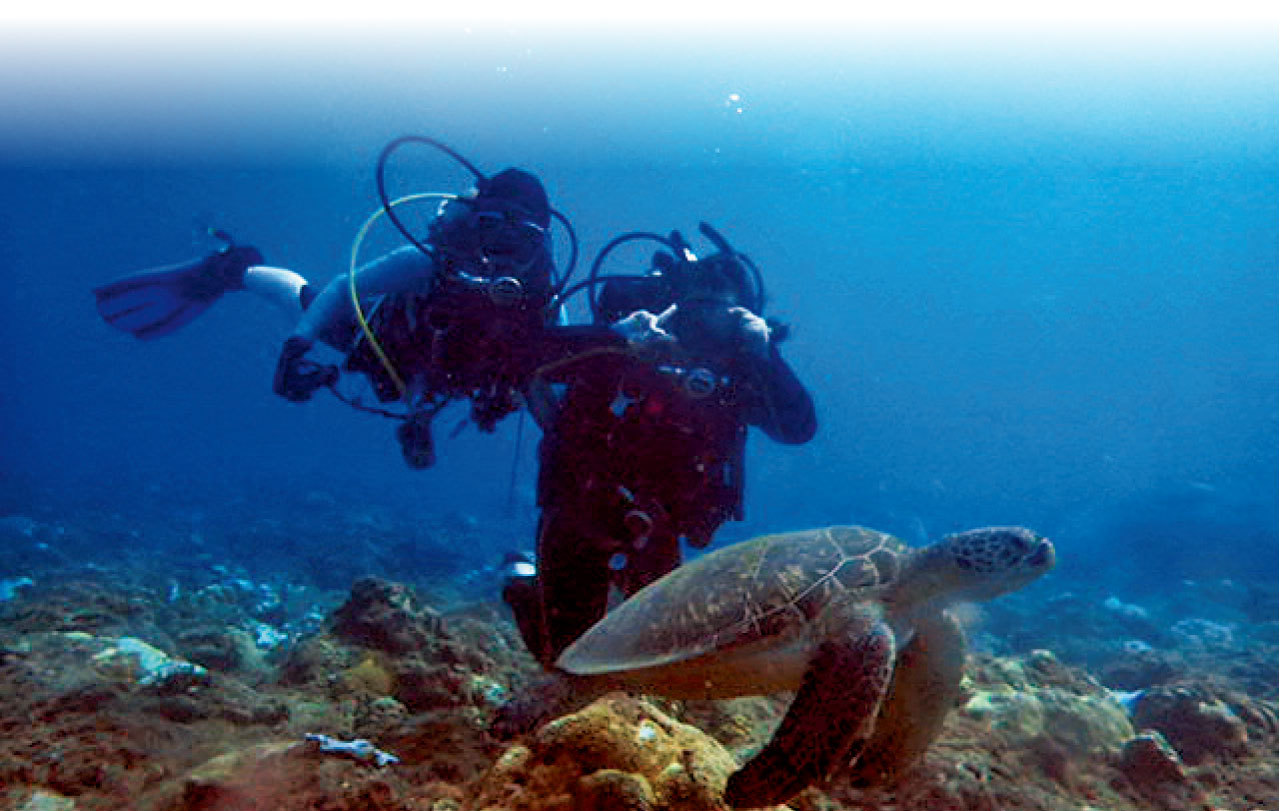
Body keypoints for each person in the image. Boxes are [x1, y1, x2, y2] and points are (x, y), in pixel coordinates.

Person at [94, 137, 569, 470]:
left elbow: (552, 372)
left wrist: (567, 437)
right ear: (472, 223)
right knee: (307, 302)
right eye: (493, 226)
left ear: (541, 242)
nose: (503, 248)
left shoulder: (542, 296)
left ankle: (417, 413)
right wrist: (296, 348)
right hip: (386, 341)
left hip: (457, 372)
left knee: (507, 374)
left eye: (521, 235)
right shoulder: (429, 262)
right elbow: (345, 289)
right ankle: (233, 267)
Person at [501, 225, 817, 667]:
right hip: (582, 501)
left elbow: (799, 428)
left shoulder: (743, 367)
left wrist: (766, 356)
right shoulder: (630, 343)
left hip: (666, 516)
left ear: (743, 317)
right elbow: (518, 357)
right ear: (670, 305)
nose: (702, 333)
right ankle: (525, 590)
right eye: (693, 314)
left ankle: (536, 590)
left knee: (656, 656)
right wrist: (614, 339)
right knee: (562, 656)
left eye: (720, 317)